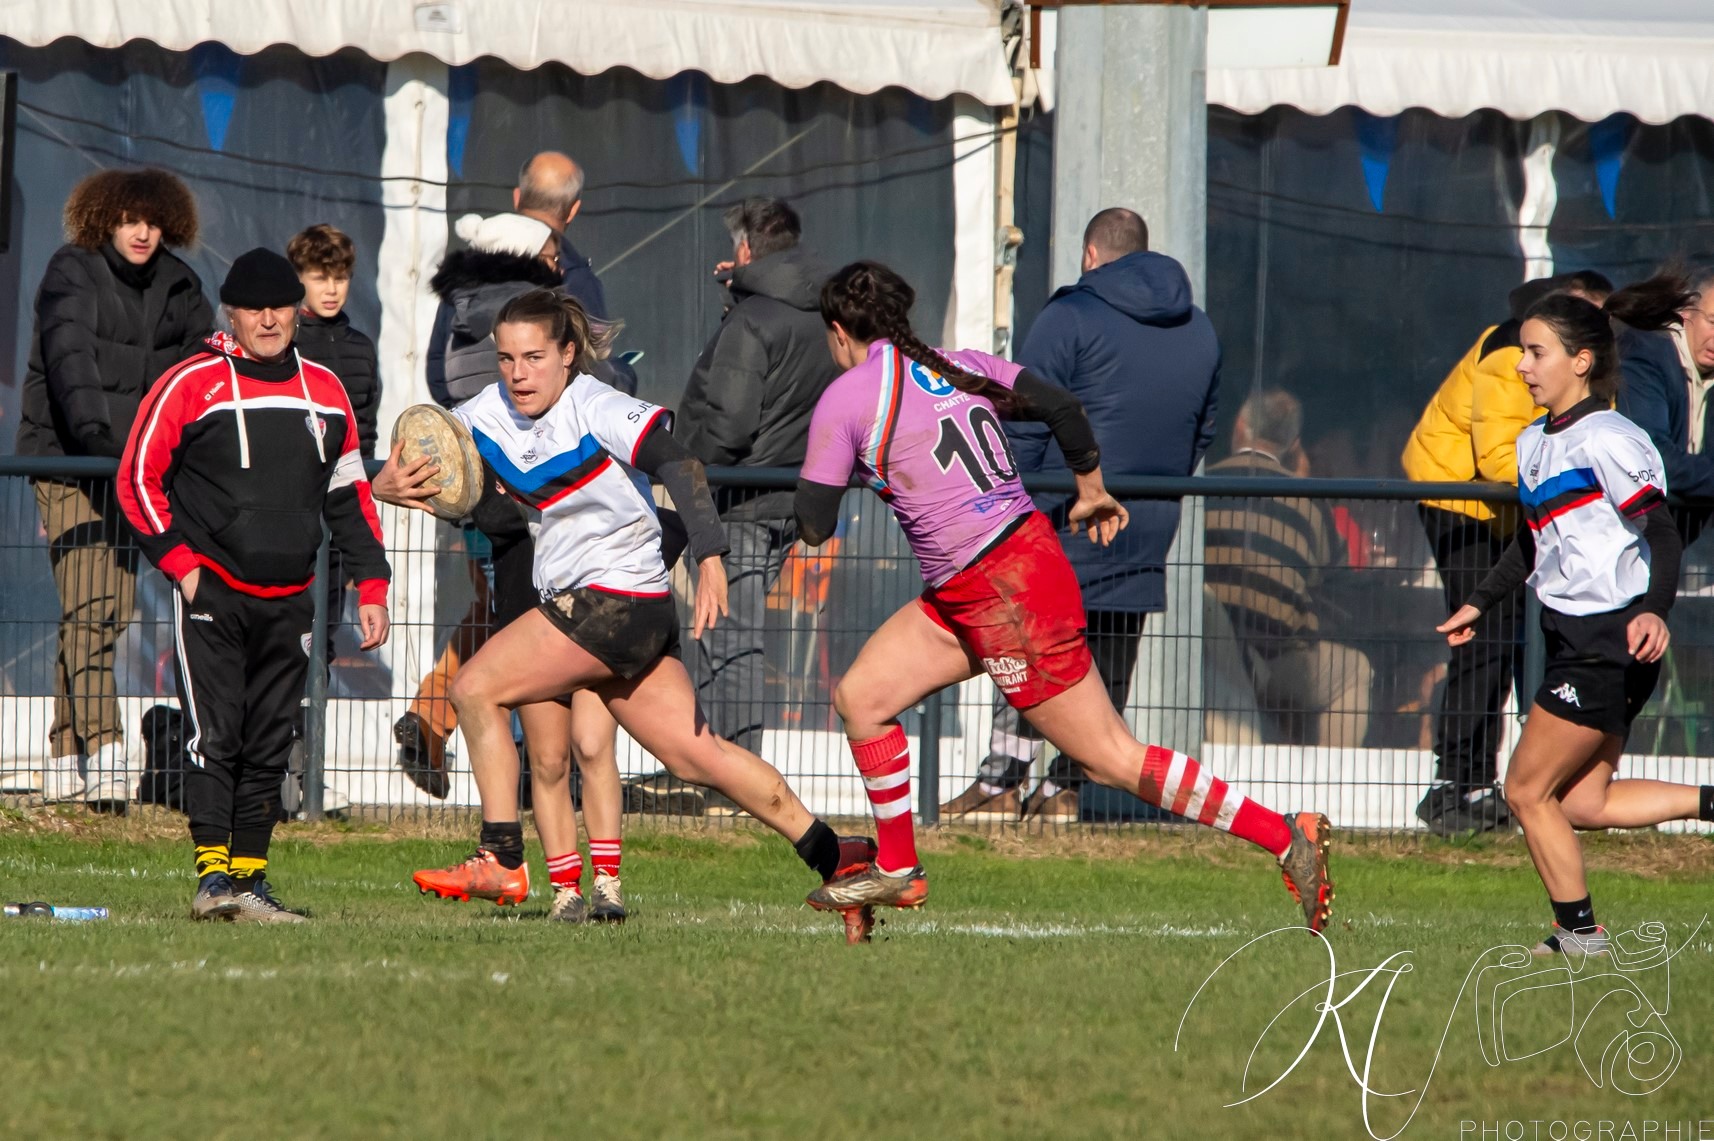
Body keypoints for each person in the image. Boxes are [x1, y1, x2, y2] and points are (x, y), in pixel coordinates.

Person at [796, 262, 1333, 934]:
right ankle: (899, 866)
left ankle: (1285, 835)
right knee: (863, 699)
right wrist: (1090, 487)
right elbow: (1063, 408)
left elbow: (814, 525)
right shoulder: (959, 364)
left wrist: (845, 462)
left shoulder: (847, 397)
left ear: (839, 331)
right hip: (987, 577)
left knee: (1110, 757)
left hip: (1000, 587)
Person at [371, 289, 876, 936]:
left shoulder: (596, 404)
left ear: (567, 354)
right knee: (700, 757)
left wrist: (710, 554)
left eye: (534, 357)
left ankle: (500, 856)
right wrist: (385, 483)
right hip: (602, 610)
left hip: (618, 599)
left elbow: (679, 462)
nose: (518, 373)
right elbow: (427, 458)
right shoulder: (486, 412)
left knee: (472, 688)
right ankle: (840, 857)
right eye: (506, 359)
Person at [116, 248, 392, 923]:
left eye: (279, 308)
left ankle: (250, 882)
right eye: (253, 309)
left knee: (271, 741)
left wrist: (372, 584)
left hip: (292, 598)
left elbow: (349, 495)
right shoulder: (190, 382)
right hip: (213, 594)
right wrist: (184, 569)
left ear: (297, 311)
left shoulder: (327, 389)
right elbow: (136, 478)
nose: (268, 320)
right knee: (216, 737)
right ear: (230, 314)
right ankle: (212, 880)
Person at [1437, 293, 1714, 956]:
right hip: (1575, 639)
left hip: (1607, 640)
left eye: (1537, 353)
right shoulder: (1535, 441)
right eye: (1523, 352)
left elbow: (1662, 533)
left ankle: (1580, 933)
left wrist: (1654, 610)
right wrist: (1480, 600)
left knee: (1524, 789)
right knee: (1583, 804)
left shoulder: (1611, 439)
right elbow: (1534, 541)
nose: (1523, 366)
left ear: (1581, 361)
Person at [941, 207, 1219, 822]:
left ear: (1091, 254)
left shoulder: (1069, 315)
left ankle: (1002, 782)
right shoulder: (1200, 329)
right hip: (1147, 518)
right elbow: (1204, 429)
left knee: (1029, 646)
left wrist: (1007, 504)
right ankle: (1065, 790)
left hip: (1060, 513)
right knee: (1111, 652)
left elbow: (1024, 418)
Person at [6, 168, 213, 810]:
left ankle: (64, 755)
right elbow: (70, 366)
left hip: (138, 471)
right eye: (128, 220)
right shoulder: (72, 271)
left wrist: (174, 458)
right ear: (105, 220)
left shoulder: (181, 285)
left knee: (101, 609)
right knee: (94, 605)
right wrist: (100, 445)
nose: (142, 232)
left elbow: (198, 375)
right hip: (72, 462)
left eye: (151, 220)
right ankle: (106, 749)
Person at [1402, 270, 1613, 836]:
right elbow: (1497, 457)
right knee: (1485, 638)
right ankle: (1456, 784)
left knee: (1524, 639)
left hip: (1518, 511)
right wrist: (1581, 478)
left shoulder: (1587, 368)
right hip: (1461, 500)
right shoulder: (1507, 353)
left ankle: (1510, 784)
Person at [669, 197, 840, 778]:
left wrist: (689, 469)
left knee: (728, 637)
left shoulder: (753, 319)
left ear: (745, 249)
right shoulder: (824, 314)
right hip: (789, 494)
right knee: (725, 632)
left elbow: (730, 425)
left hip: (737, 497)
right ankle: (712, 768)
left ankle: (731, 777)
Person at [1204, 392, 1373, 747]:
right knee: (1354, 669)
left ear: (1239, 427)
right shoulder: (1307, 503)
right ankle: (1329, 776)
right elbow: (1336, 571)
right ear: (1294, 445)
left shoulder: (1200, 487)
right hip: (1274, 662)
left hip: (1206, 657)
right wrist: (1303, 482)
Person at [1612, 267, 1714, 542]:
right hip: (1625, 536)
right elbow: (1651, 457)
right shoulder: (1646, 355)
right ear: (1687, 312)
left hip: (1673, 537)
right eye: (1712, 322)